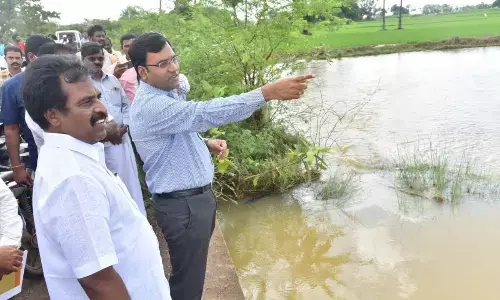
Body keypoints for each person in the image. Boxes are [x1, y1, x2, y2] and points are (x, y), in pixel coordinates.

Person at [129, 32, 314, 300]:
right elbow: (203, 113)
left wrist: (204, 143)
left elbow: (177, 130)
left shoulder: (165, 94)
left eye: (174, 59)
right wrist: (266, 93)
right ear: (142, 73)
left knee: (192, 276)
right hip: (184, 207)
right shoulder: (152, 105)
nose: (174, 68)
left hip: (191, 203)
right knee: (188, 283)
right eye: (163, 64)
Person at [22, 54, 171, 300]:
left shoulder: (78, 157)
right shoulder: (73, 178)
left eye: (98, 98)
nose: (102, 109)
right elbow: (98, 282)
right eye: (86, 102)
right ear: (53, 116)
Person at [81, 42, 145, 215]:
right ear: (82, 59)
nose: (96, 62)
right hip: (99, 145)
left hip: (122, 141)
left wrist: (124, 127)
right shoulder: (81, 86)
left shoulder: (112, 80)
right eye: (91, 58)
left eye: (100, 58)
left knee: (130, 183)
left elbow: (126, 106)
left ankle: (138, 219)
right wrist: (106, 133)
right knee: (110, 188)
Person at [0, 35, 53, 186]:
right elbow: (11, 129)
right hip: (39, 160)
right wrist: (17, 167)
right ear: (31, 56)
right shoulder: (12, 87)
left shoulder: (60, 79)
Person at [25, 42, 74, 150]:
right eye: (65, 63)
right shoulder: (38, 101)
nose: (73, 68)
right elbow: (73, 136)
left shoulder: (70, 90)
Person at [118, 33, 137, 102]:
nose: (130, 49)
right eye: (127, 46)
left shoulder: (147, 62)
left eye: (133, 45)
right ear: (121, 48)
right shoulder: (117, 66)